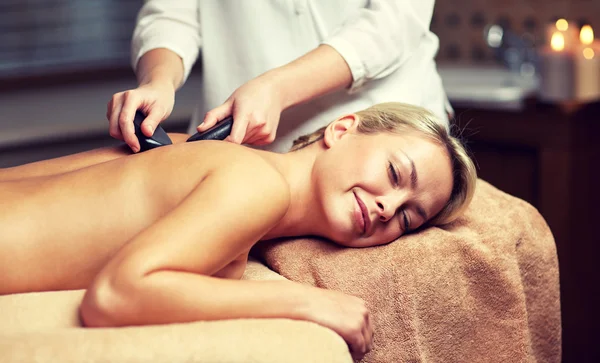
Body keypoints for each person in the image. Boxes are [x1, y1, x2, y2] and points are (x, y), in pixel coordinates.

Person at [0, 103, 476, 360]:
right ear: (342, 129)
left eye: (409, 218)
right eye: (395, 173)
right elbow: (115, 295)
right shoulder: (258, 185)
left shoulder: (212, 153)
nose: (387, 207)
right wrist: (309, 301)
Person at [108, 0, 449, 153]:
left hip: (387, 136)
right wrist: (159, 80)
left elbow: (393, 22)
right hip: (240, 149)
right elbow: (171, 12)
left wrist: (277, 88)